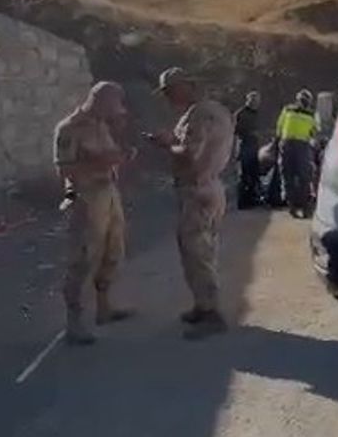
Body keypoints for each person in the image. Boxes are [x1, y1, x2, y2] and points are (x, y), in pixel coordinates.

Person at [147, 68, 234, 339]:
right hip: (209, 186)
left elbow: (190, 155)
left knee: (197, 254)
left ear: (186, 86)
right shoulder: (214, 110)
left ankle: (211, 314)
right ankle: (203, 305)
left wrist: (166, 144)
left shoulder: (198, 115)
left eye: (170, 90)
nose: (168, 97)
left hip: (198, 190)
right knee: (202, 251)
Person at [52, 82, 136, 346]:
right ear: (99, 100)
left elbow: (109, 156)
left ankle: (104, 306)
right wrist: (102, 161)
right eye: (113, 105)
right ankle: (75, 321)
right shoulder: (69, 128)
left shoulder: (101, 125)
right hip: (85, 196)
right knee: (84, 259)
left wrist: (120, 155)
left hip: (108, 193)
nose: (116, 111)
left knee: (113, 251)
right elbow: (64, 169)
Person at [276, 90, 319, 219]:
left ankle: (303, 207)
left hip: (299, 145)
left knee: (303, 176)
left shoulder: (310, 114)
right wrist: (278, 140)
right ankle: (293, 207)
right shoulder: (289, 110)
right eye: (302, 100)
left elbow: (315, 130)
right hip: (290, 144)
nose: (303, 102)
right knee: (289, 175)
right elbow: (280, 125)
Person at [232, 91, 263, 210]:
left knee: (254, 174)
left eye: (257, 101)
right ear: (248, 100)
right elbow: (235, 131)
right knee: (244, 176)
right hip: (244, 146)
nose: (256, 103)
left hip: (253, 147)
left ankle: (252, 199)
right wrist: (249, 133)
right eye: (253, 101)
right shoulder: (241, 114)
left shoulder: (256, 114)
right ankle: (243, 202)